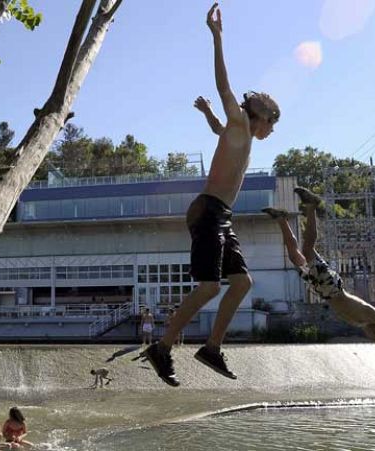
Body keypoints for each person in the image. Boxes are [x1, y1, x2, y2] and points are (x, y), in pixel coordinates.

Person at [144, 2, 280, 385]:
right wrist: (217, 36)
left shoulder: (236, 133)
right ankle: (162, 346)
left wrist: (205, 115)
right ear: (258, 115)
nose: (273, 126)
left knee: (242, 283)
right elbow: (224, 86)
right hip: (208, 212)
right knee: (209, 286)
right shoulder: (240, 120)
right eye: (272, 118)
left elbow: (219, 129)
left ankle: (212, 348)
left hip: (221, 216)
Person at [263, 187, 375, 358]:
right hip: (331, 287)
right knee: (307, 249)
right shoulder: (374, 315)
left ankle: (281, 219)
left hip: (322, 291)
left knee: (295, 257)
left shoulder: (366, 326)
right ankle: (311, 205)